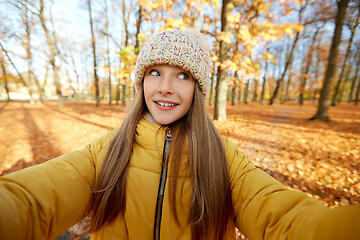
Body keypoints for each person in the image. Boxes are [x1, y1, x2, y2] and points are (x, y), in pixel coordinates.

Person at [0, 29, 359, 240]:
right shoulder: (107, 150)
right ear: (141, 81)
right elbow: (32, 199)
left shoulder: (224, 158)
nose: (165, 88)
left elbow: (284, 218)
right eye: (154, 72)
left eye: (183, 75)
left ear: (199, 89)